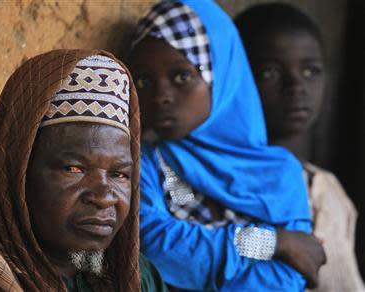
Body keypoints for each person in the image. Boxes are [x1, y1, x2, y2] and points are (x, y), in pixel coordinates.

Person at [128, 0, 326, 291]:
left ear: (222, 78)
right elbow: (152, 244)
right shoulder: (147, 161)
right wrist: (271, 242)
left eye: (182, 76)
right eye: (144, 81)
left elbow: (285, 277)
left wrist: (196, 256)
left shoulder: (279, 174)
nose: (161, 96)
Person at [0, 49, 168, 291]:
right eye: (74, 169)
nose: (103, 198)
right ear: (17, 170)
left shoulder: (131, 275)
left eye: (119, 174)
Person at [235, 3, 365, 291]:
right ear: (234, 79)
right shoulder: (219, 179)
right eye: (269, 72)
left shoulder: (328, 190)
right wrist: (276, 243)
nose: (296, 86)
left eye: (310, 70)